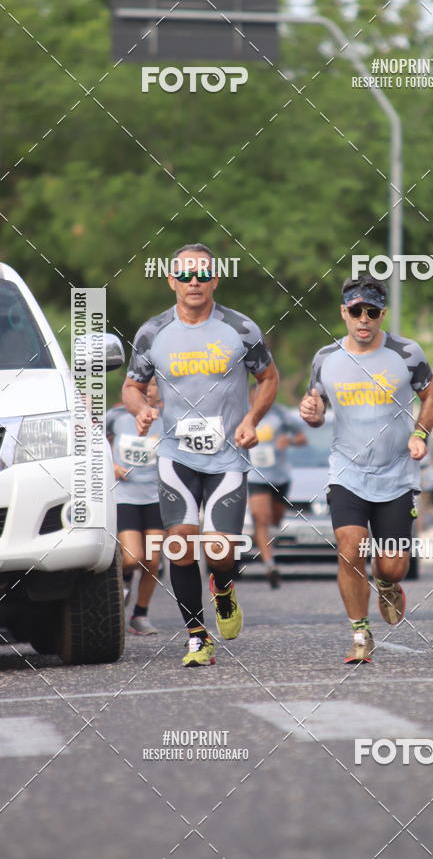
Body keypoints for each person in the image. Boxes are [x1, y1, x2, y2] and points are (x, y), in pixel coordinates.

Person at [122, 243, 278, 667]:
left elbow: (268, 378)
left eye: (202, 275)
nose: (194, 282)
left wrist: (252, 420)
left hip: (227, 456)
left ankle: (223, 587)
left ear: (215, 279)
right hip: (177, 454)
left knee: (220, 549)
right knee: (180, 543)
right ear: (171, 281)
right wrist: (142, 411)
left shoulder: (241, 329)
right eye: (185, 275)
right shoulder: (153, 332)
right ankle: (196, 636)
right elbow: (132, 386)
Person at [299, 274, 433, 663]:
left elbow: (430, 397)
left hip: (396, 474)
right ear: (344, 312)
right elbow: (316, 409)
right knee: (350, 548)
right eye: (356, 311)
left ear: (383, 314)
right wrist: (311, 414)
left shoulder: (406, 353)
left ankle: (387, 583)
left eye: (372, 312)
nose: (364, 319)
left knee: (393, 566)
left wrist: (420, 435)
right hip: (347, 471)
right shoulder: (326, 358)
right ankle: (360, 633)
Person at [106, 378, 164, 635]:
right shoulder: (115, 416)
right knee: (132, 558)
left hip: (156, 497)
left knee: (153, 561)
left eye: (153, 385)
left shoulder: (168, 418)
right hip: (125, 496)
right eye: (144, 386)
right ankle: (124, 582)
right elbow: (93, 443)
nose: (148, 390)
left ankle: (140, 615)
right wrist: (112, 464)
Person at [247, 389, 307, 587]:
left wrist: (288, 440)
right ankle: (269, 564)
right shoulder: (242, 414)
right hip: (255, 476)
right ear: (250, 398)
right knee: (261, 517)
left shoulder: (280, 414)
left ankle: (262, 539)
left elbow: (302, 438)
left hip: (279, 477)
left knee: (274, 519)